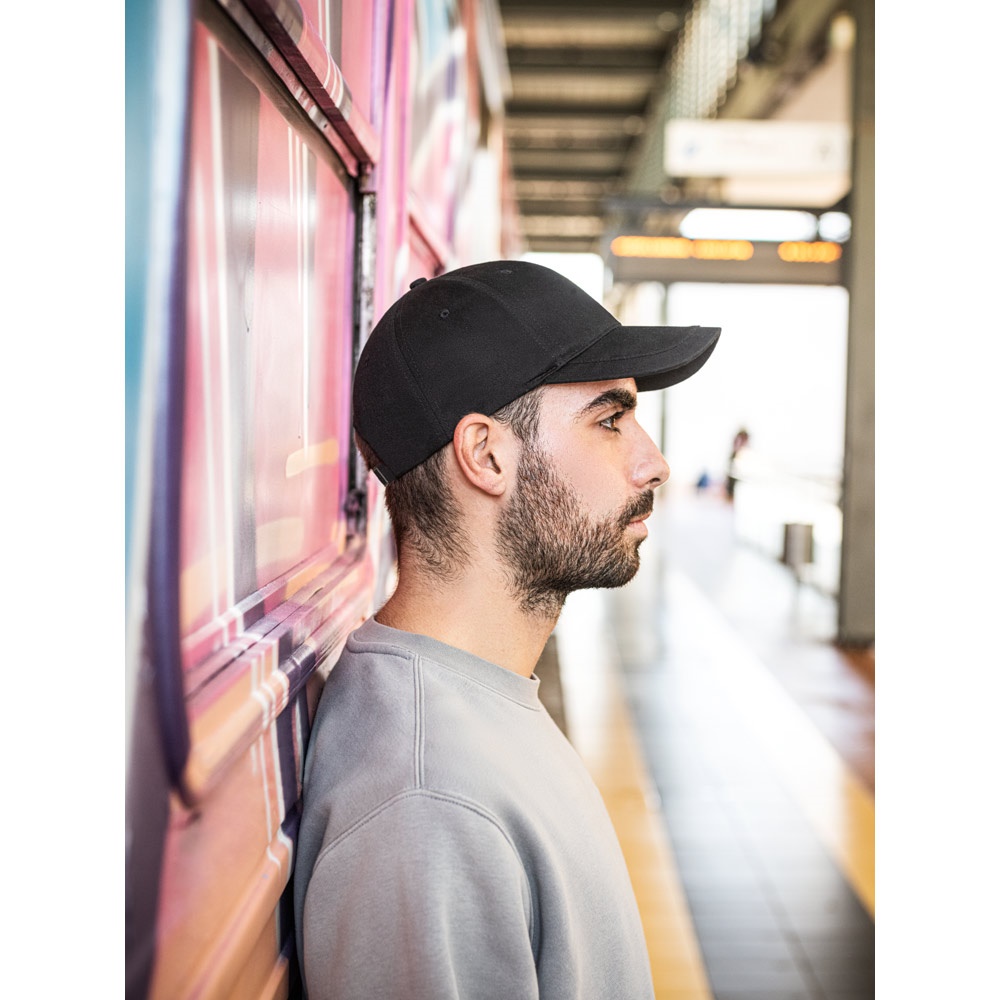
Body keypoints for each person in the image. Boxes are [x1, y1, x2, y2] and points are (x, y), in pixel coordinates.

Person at [293, 260, 720, 999]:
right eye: (610, 420)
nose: (654, 464)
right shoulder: (427, 808)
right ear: (486, 455)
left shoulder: (473, 706)